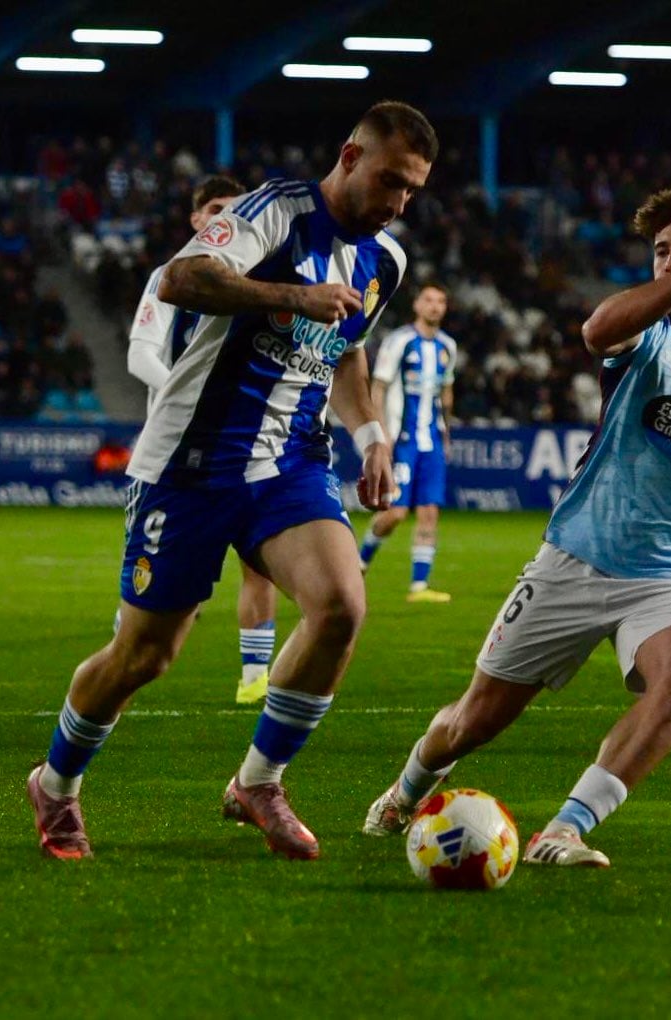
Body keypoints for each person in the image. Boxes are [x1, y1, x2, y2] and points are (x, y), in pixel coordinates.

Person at [28, 100, 438, 861]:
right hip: (189, 464)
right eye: (390, 181)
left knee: (341, 605)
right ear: (349, 158)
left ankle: (259, 781)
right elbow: (182, 277)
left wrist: (372, 434)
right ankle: (54, 784)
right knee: (144, 657)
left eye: (412, 190)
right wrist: (289, 295)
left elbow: (346, 350)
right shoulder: (273, 214)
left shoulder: (387, 259)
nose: (398, 202)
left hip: (290, 464)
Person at [364, 185, 671, 867]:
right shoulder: (648, 336)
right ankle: (407, 789)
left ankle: (565, 829)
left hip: (667, 580)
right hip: (572, 558)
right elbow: (597, 330)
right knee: (473, 721)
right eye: (661, 251)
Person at [127, 175, 278, 704]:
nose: (225, 216)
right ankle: (120, 664)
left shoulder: (256, 281)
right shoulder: (171, 278)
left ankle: (254, 677)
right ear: (196, 220)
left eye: (235, 210)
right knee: (160, 596)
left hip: (244, 449)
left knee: (261, 566)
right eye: (215, 208)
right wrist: (190, 393)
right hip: (174, 454)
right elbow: (139, 354)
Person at [358, 282, 456, 601]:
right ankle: (360, 562)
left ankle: (419, 586)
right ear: (416, 305)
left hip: (431, 441)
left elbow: (446, 391)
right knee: (395, 513)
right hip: (402, 440)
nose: (435, 306)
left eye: (440, 300)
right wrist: (380, 432)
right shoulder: (399, 341)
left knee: (429, 511)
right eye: (429, 300)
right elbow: (380, 386)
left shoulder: (447, 346)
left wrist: (446, 434)